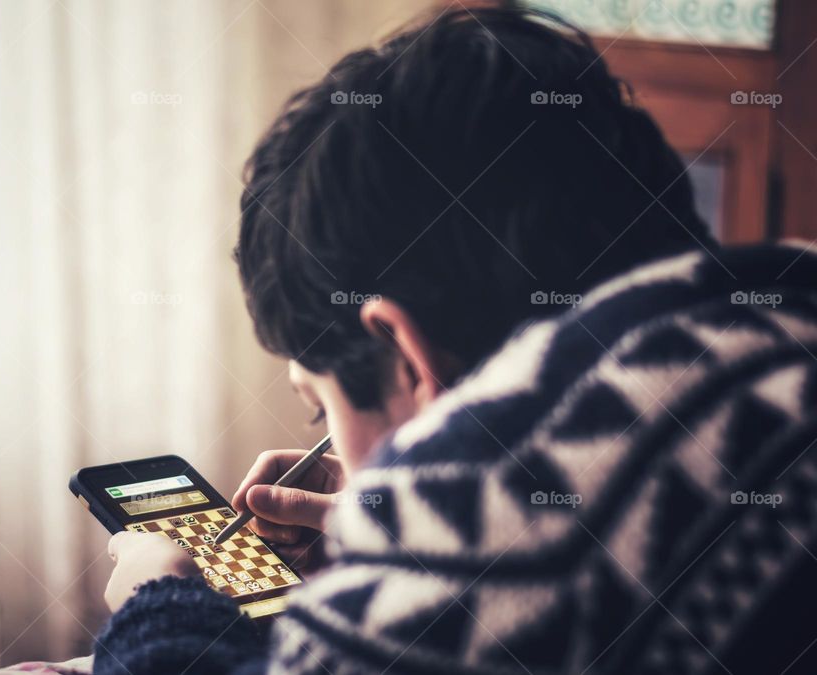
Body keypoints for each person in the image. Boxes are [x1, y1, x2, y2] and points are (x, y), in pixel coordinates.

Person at [95, 5, 817, 674]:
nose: (332, 450)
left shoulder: (503, 557)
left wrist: (157, 600)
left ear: (408, 356)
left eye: (322, 411)